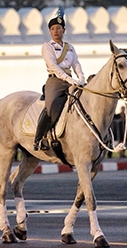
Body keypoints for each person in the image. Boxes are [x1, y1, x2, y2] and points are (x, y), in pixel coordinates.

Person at [34, 8, 86, 151]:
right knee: (51, 108)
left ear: (64, 30)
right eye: (52, 29)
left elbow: (76, 64)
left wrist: (81, 78)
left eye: (58, 28)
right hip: (55, 81)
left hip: (71, 80)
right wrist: (70, 80)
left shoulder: (70, 48)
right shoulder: (47, 47)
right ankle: (40, 138)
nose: (56, 31)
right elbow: (53, 66)